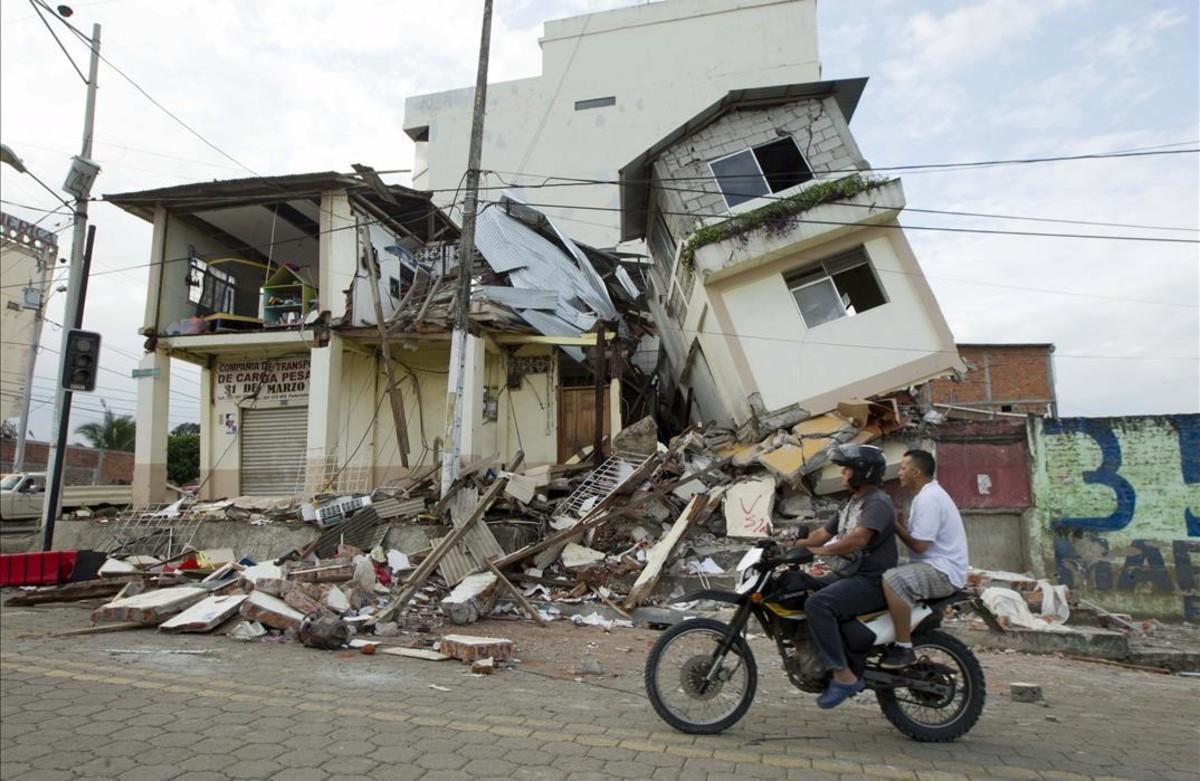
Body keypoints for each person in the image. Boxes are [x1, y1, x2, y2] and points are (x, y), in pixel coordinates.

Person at [791, 443, 897, 709]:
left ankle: (843, 675)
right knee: (802, 587)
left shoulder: (878, 503)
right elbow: (822, 534)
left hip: (871, 580)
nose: (843, 474)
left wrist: (821, 551)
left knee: (818, 603)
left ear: (863, 472)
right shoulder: (851, 503)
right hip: (849, 575)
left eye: (847, 469)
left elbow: (858, 540)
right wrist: (789, 545)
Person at [879, 449, 969, 669]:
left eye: (903, 468)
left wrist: (895, 525)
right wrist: (902, 523)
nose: (899, 473)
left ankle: (903, 647)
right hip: (934, 565)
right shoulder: (926, 496)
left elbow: (919, 545)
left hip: (942, 571)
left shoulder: (929, 498)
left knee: (893, 579)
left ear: (916, 472)